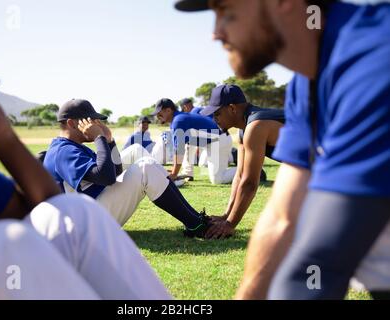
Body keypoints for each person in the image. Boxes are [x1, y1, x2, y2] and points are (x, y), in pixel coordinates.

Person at [175, 0, 390, 299]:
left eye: (226, 10)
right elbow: (282, 216)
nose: (215, 32)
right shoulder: (307, 82)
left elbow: (323, 258)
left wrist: (230, 223)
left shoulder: (375, 57)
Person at [0, 25, 171, 299]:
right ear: (73, 124)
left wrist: (3, 136)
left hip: (93, 207)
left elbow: (48, 208)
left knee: (74, 210)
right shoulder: (64, 148)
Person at [42, 99, 211, 237]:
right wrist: (98, 138)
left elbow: (114, 172)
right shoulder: (63, 151)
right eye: (90, 120)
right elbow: (107, 177)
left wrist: (108, 140)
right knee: (145, 168)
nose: (95, 124)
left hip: (88, 210)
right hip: (84, 227)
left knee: (137, 152)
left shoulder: (71, 146)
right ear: (72, 123)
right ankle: (196, 225)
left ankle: (195, 218)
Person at [201, 84, 285, 239]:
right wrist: (226, 216)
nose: (214, 119)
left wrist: (230, 225)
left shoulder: (256, 126)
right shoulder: (244, 129)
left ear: (232, 108)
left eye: (217, 113)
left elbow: (250, 183)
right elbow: (240, 175)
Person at [153, 98, 236, 184]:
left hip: (219, 140)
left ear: (168, 110)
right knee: (189, 146)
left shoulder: (178, 121)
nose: (157, 117)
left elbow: (179, 150)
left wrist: (174, 174)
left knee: (218, 179)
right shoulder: (179, 118)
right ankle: (187, 173)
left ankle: (247, 170)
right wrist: (174, 170)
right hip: (217, 140)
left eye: (159, 114)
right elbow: (181, 148)